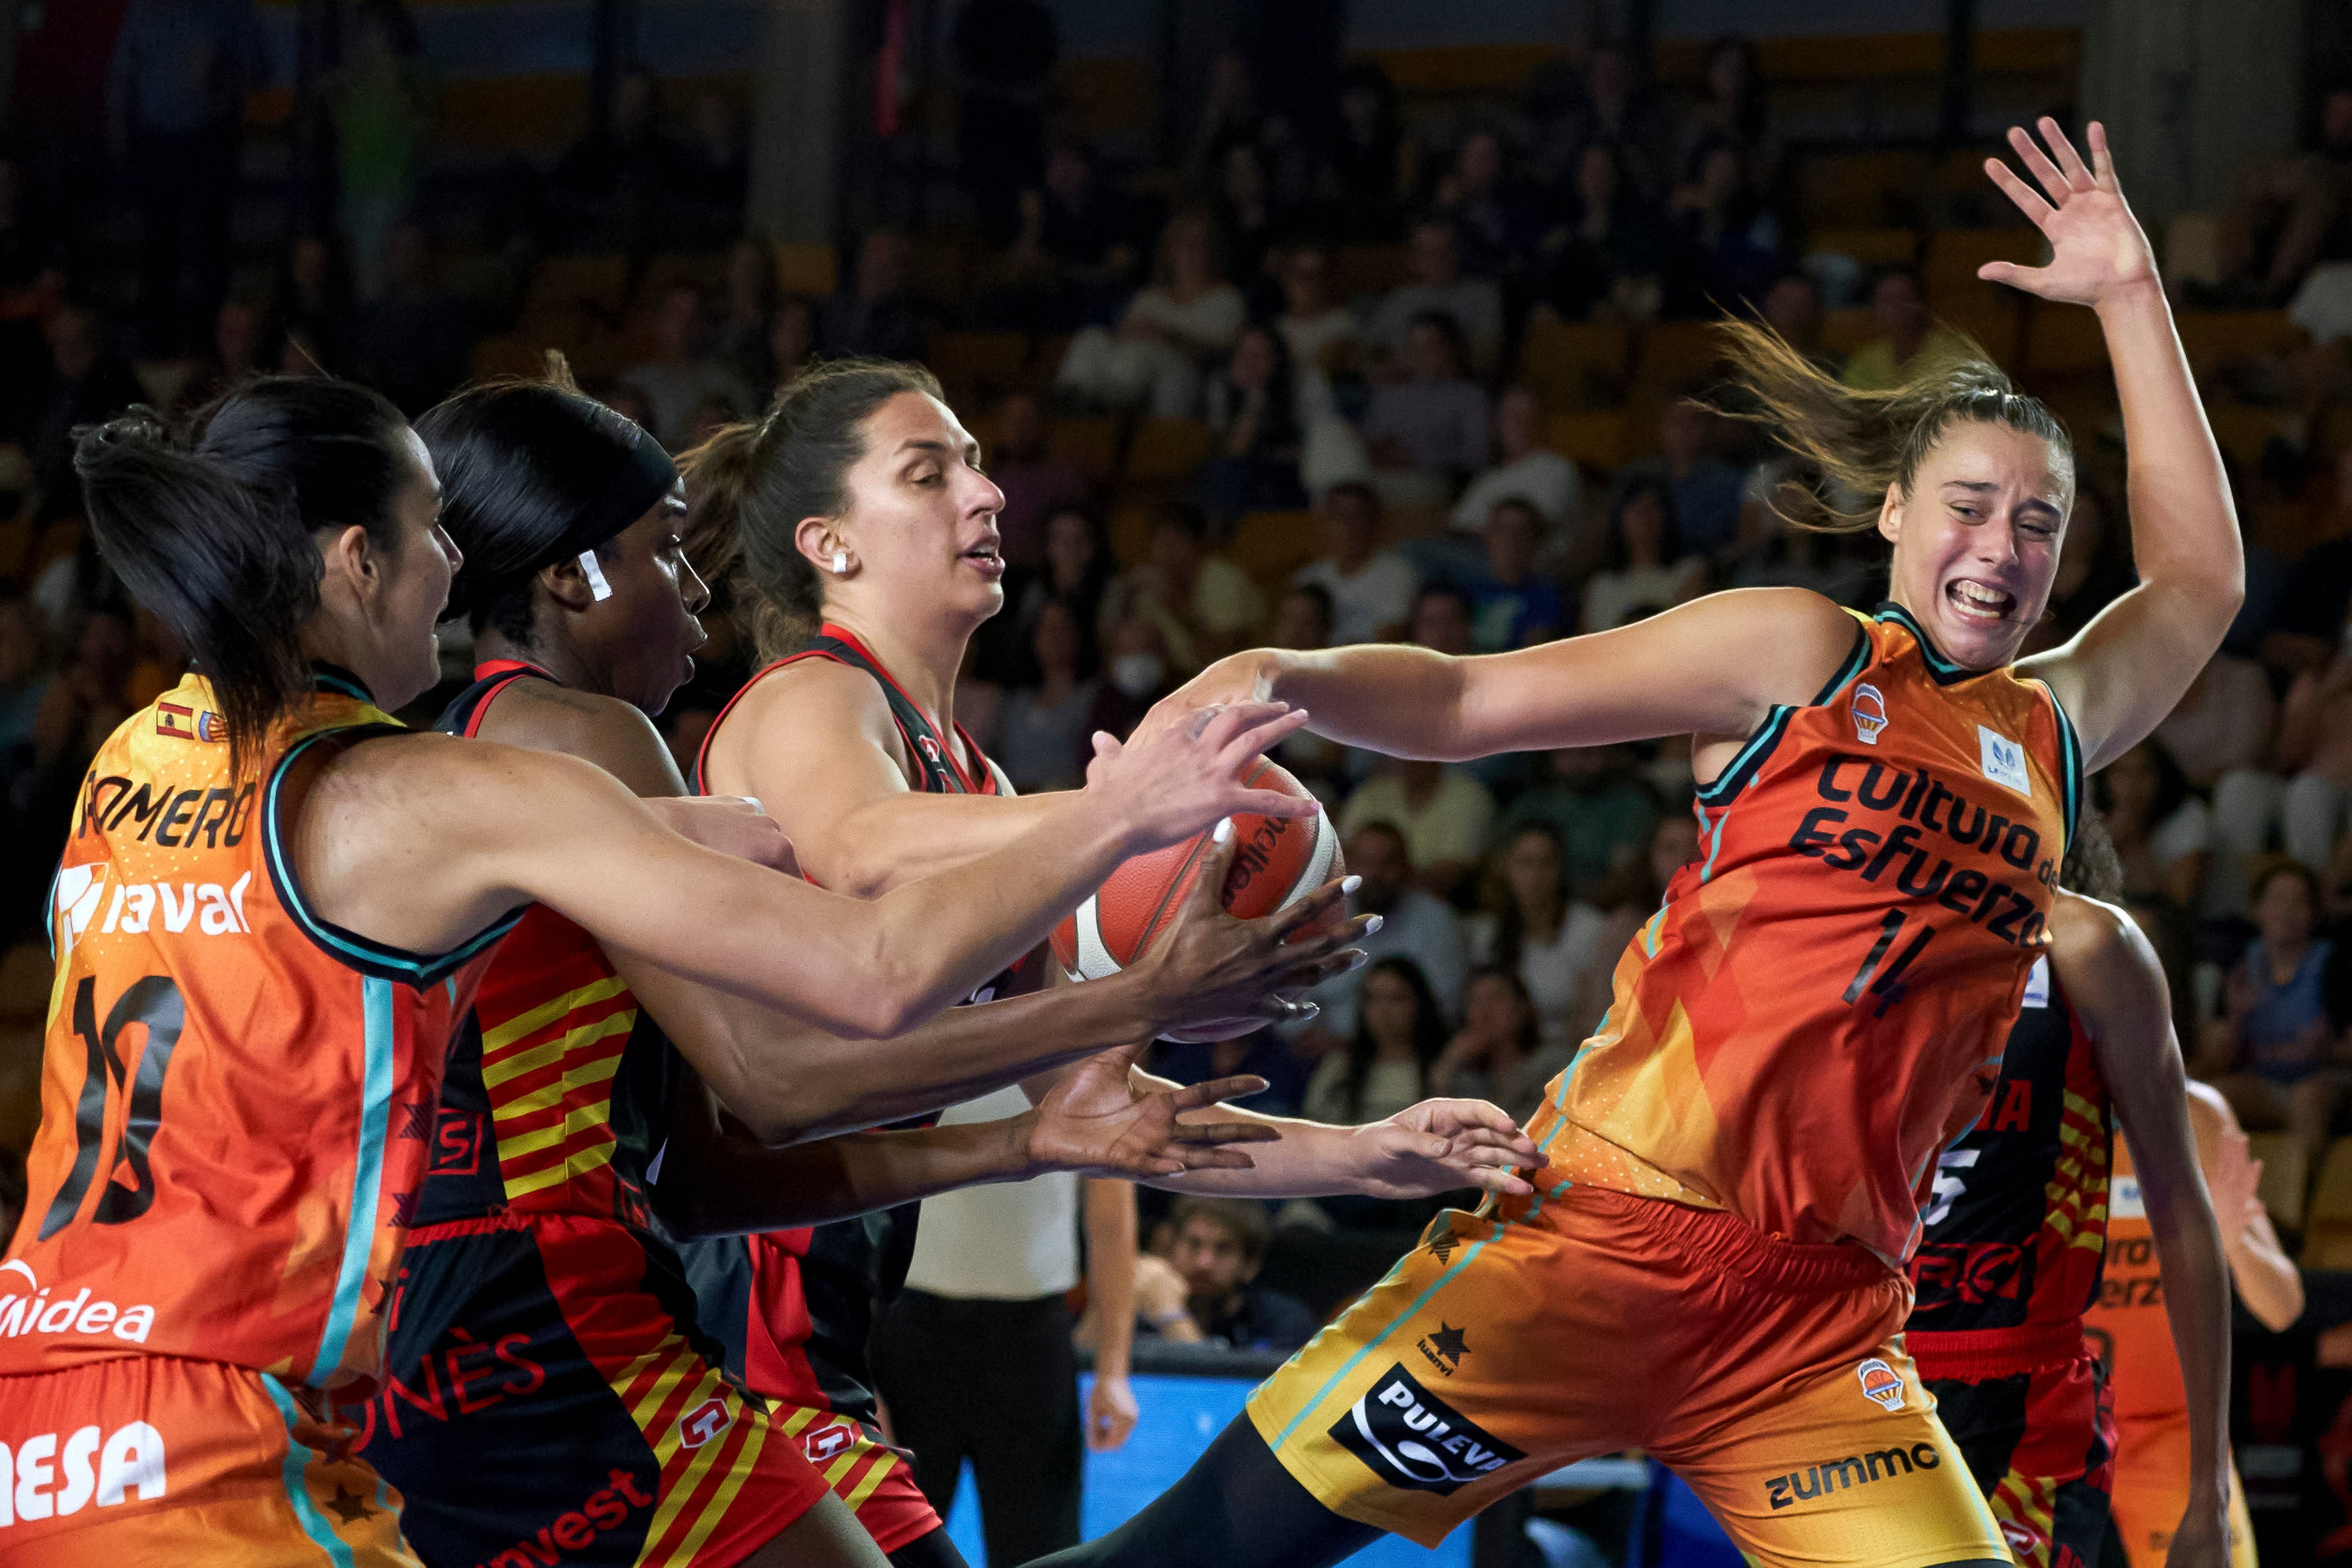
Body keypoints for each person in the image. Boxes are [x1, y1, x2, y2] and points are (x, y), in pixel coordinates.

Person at [1030, 118, 2249, 1568]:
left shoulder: (2045, 731)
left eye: (2039, 523)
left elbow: (2199, 581)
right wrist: (1275, 674)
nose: (2001, 542)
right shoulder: (1804, 652)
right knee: (1176, 1563)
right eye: (1970, 505)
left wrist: (2128, 297)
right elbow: (1478, 694)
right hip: (1595, 1240)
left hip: (1821, 1330)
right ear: (1892, 513)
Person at [1, 372, 1337, 1565]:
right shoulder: (446, 785)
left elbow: (645, 937)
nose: (451, 564)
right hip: (288, 1418)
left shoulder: (128, 764)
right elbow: (854, 994)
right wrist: (1126, 834)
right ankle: (1354, 1455)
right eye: (429, 536)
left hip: (55, 1406)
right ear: (356, 560)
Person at [678, 358, 1545, 1561]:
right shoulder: (809, 698)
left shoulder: (972, 779)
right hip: (720, 1332)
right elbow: (860, 849)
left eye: (977, 464)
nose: (982, 496)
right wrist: (1121, 813)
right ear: (829, 545)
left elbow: (1105, 1110)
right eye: (928, 473)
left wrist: (1367, 1158)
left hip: (828, 1338)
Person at [1907, 821, 2236, 1568]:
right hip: (1857, 1374)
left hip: (2021, 1402)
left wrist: (2208, 1492)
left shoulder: (2085, 945)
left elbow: (2182, 1210)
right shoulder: (1848, 931)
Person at [2090, 1086, 2304, 1568]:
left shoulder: (2194, 1113)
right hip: (2054, 1419)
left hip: (2175, 1432)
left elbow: (2283, 1307)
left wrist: (2234, 1242)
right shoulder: (2017, 1103)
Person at [107, 0, 271, 356]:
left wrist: (221, 72)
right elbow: (123, 73)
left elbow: (261, 68)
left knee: (209, 248)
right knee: (157, 248)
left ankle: (208, 348)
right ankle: (158, 348)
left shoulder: (227, 9)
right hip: (156, 143)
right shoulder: (147, 10)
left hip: (209, 140)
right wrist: (120, 136)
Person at [2197, 858, 2347, 1178]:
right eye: (2277, 900)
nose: (2287, 911)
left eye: (2299, 902)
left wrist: (2326, 1050)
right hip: (2265, 1086)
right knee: (2211, 1097)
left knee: (2308, 1097)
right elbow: (2214, 1060)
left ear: (2315, 913)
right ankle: (2214, 1207)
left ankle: (2296, 1214)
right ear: (2259, 909)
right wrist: (2237, 1018)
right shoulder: (2240, 967)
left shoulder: (2336, 966)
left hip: (2321, 1084)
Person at [1294, 821, 1469, 1049]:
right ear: (1348, 865)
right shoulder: (1321, 916)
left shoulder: (1435, 917)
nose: (1375, 874)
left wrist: (1354, 1046)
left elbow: (1447, 1008)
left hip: (1412, 1053)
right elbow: (1290, 1001)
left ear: (1407, 867)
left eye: (1387, 863)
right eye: (1366, 863)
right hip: (1323, 1054)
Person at [1056, 212, 1246, 417]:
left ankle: (1104, 402)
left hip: (1181, 376)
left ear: (1212, 250)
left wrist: (1166, 337)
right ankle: (1073, 401)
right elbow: (1123, 334)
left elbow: (1225, 352)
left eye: (1196, 244)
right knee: (1092, 337)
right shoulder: (1150, 298)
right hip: (1129, 364)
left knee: (1147, 354)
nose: (1187, 252)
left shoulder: (1226, 300)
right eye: (1180, 244)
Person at [1466, 824, 1609, 1050]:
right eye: (1525, 863)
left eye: (1546, 863)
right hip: (1505, 1055)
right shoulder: (1486, 935)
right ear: (1507, 868)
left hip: (1570, 1052)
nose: (1536, 875)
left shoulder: (1590, 928)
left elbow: (1595, 1016)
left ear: (1561, 869)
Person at [1134, 1196, 1320, 1352]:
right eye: (1194, 1244)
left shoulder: (1286, 1322)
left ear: (1251, 1264)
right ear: (1171, 1248)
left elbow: (1209, 1391)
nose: (1204, 1263)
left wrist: (1171, 1316)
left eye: (1223, 1250)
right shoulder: (1137, 1313)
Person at [1302, 958, 1447, 1128]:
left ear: (1419, 1004)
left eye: (1396, 999)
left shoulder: (1441, 1067)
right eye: (1373, 999)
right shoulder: (1339, 1068)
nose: (1384, 1011)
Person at [621, 284, 760, 450]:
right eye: (676, 314)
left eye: (693, 316)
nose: (684, 324)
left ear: (704, 324)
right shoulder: (635, 385)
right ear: (659, 320)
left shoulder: (728, 385)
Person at [1362, 220, 1504, 370]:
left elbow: (1487, 357)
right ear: (1414, 257)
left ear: (1456, 253)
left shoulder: (1482, 295)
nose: (1436, 261)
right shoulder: (1398, 299)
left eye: (1442, 251)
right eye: (1426, 253)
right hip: (1400, 386)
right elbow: (1368, 351)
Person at [1290, 482, 1417, 646]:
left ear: (1373, 522)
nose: (1349, 526)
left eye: (1357, 516)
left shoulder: (1396, 574)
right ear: (1325, 525)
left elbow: (1389, 642)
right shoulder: (1307, 578)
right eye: (1339, 517)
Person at [1449, 387, 1583, 541]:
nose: (1516, 425)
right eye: (1509, 417)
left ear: (1539, 422)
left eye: (1524, 417)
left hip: (1514, 561)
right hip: (1462, 551)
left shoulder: (1556, 468)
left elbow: (1534, 527)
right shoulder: (1487, 478)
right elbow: (1456, 526)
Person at [1431, 967, 1561, 1122]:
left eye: (1496, 998)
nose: (1484, 1011)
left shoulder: (1554, 1065)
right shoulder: (1465, 1077)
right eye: (1475, 1000)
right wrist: (1449, 1062)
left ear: (1522, 1007)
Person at [1579, 475, 1705, 633]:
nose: (1645, 516)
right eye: (1636, 507)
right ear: (1619, 517)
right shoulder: (1600, 587)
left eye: (1653, 507)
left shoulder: (1690, 572)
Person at [1842, 266, 1976, 393]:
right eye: (1883, 300)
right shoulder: (1865, 361)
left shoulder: (1953, 356)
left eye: (1900, 300)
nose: (1890, 309)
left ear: (1921, 305)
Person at [1465, 499, 1565, 653]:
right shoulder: (1464, 590)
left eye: (1521, 532)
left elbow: (1532, 654)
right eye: (1502, 529)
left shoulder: (1547, 596)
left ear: (1535, 542)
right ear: (1488, 536)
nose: (1510, 540)